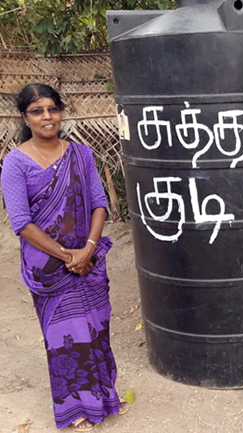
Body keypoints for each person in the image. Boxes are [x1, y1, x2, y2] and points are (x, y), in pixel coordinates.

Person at [1, 84, 127, 431]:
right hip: (49, 269)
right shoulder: (15, 163)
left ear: (61, 112)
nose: (47, 117)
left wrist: (87, 248)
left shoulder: (81, 154)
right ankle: (77, 411)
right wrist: (66, 255)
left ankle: (105, 399)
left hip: (88, 262)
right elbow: (21, 222)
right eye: (37, 111)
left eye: (52, 109)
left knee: (96, 331)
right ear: (25, 118)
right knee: (65, 340)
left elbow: (99, 203)